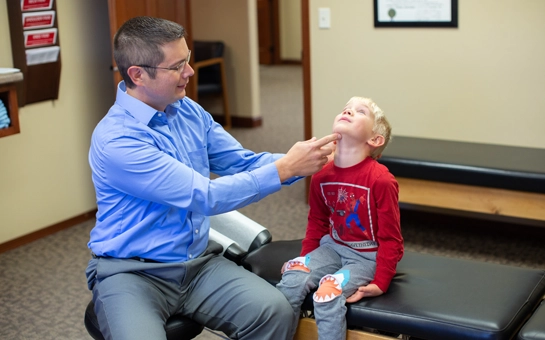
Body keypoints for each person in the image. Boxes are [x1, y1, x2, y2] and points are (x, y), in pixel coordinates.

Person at [85, 16, 339, 340]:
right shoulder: (118, 140)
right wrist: (287, 168)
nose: (190, 72)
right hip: (133, 272)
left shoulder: (187, 110)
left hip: (198, 265)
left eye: (187, 60)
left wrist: (310, 160)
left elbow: (242, 161)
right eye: (177, 66)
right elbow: (204, 196)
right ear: (138, 74)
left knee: (273, 312)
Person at [276, 96, 404, 340]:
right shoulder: (321, 175)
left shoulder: (381, 180)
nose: (348, 111)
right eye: (346, 108)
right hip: (332, 248)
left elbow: (391, 237)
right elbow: (317, 223)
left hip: (365, 258)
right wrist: (304, 258)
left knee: (327, 292)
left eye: (360, 111)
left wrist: (381, 281)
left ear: (374, 140)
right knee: (293, 276)